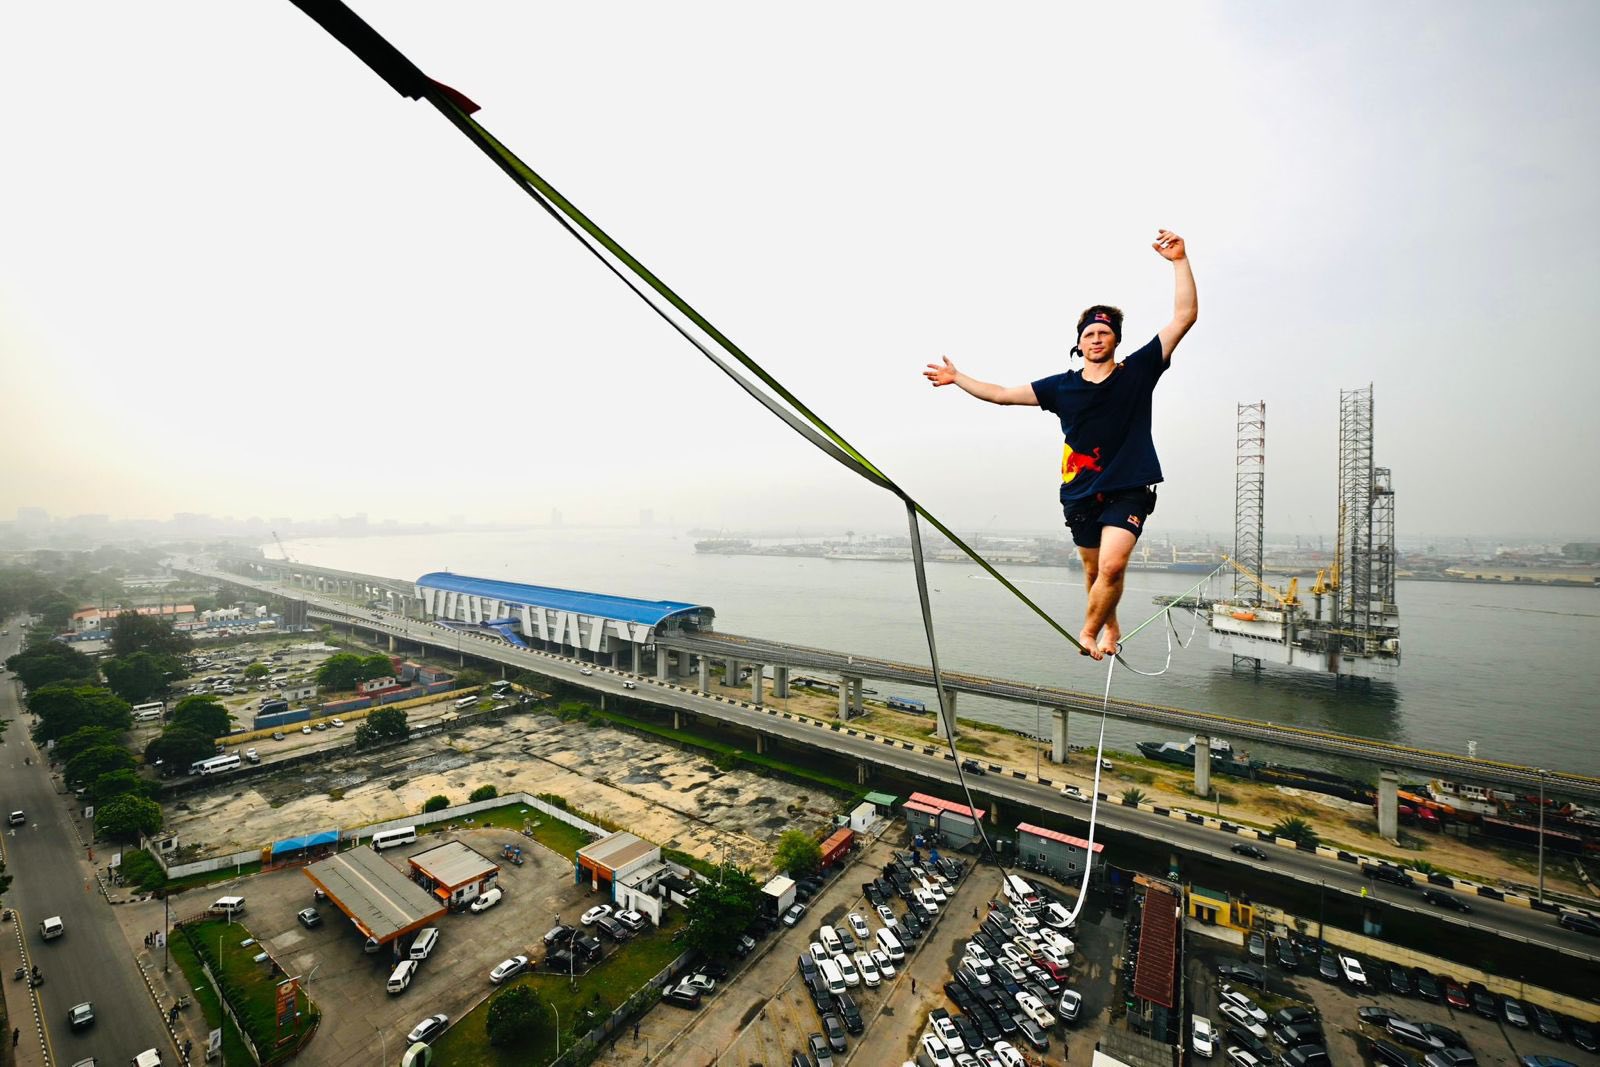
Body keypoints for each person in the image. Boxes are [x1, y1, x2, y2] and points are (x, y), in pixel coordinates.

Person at [924, 229, 1197, 658]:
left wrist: (1180, 260)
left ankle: (1087, 633)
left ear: (1115, 340)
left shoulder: (1139, 371)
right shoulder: (1060, 388)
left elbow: (1183, 317)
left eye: (1104, 333)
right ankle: (1110, 625)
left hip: (1129, 485)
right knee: (1093, 570)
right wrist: (958, 378)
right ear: (1079, 342)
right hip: (1080, 491)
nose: (1096, 339)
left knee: (1112, 564)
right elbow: (1001, 393)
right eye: (1089, 334)